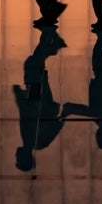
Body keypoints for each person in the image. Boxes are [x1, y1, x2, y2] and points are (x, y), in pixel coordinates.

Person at [12, 26, 68, 172]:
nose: (16, 156)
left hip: (43, 101)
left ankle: (50, 37)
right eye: (19, 158)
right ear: (26, 157)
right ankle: (51, 37)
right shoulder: (32, 140)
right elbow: (28, 114)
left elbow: (57, 125)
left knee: (35, 64)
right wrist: (20, 97)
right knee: (33, 66)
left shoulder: (39, 143)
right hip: (37, 98)